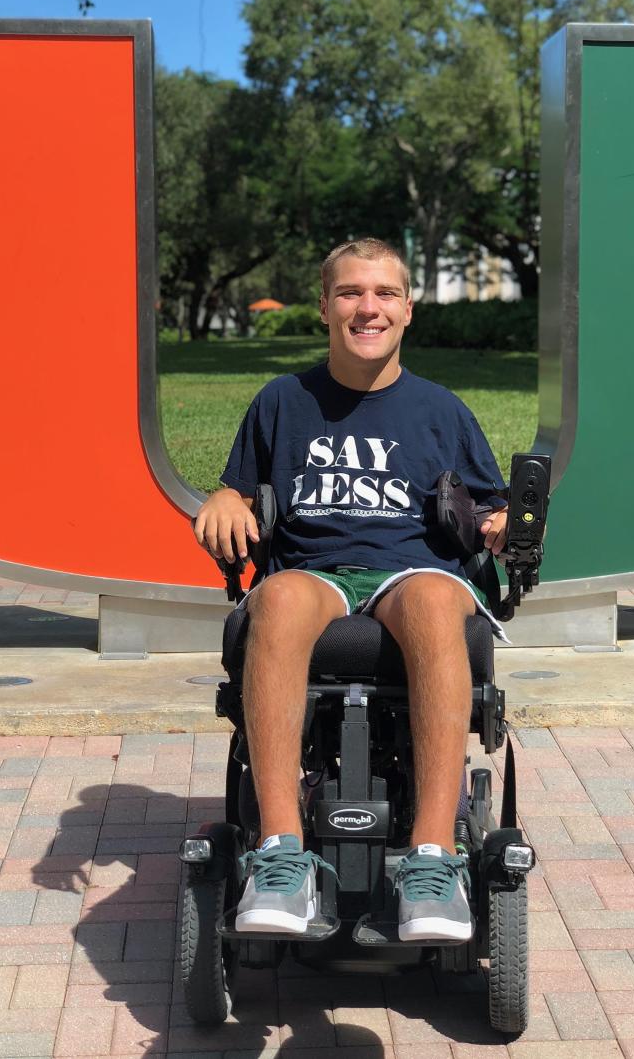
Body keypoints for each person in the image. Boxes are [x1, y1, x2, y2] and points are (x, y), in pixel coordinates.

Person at [194, 237, 509, 942]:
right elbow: (236, 490)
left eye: (384, 293)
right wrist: (222, 501)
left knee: (432, 599)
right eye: (351, 293)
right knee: (273, 597)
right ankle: (281, 854)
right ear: (325, 306)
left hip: (414, 571)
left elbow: (492, 505)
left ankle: (433, 860)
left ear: (407, 310)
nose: (368, 307)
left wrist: (501, 522)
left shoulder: (441, 409)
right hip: (315, 571)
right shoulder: (283, 400)